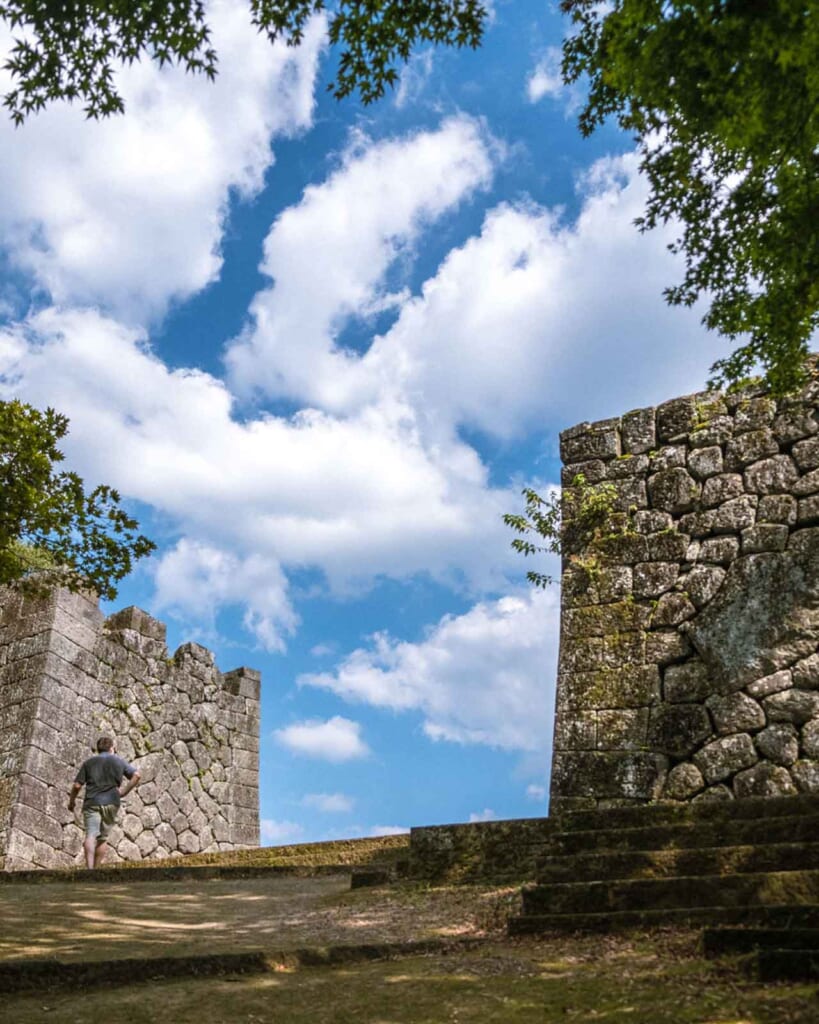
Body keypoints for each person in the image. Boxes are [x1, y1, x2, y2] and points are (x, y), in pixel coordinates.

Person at [68, 736, 141, 869]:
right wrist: (124, 792)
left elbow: (77, 786)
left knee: (91, 834)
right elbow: (137, 775)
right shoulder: (119, 761)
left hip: (92, 802)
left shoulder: (89, 763)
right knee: (102, 838)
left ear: (98, 749)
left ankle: (89, 870)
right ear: (111, 748)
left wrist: (72, 802)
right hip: (112, 802)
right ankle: (96, 870)